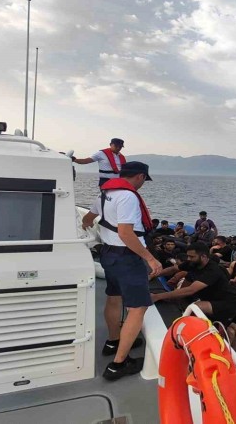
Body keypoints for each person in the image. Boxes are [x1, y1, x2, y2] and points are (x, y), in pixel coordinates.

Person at [81, 161, 162, 381]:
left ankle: (113, 341)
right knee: (138, 308)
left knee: (114, 297)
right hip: (127, 258)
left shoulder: (105, 193)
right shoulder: (128, 197)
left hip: (109, 254)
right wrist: (151, 258)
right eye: (144, 180)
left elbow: (87, 220)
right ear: (140, 177)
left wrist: (98, 236)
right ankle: (119, 364)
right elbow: (126, 233)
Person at [151, 242, 236, 326]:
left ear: (203, 256)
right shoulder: (193, 263)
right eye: (188, 256)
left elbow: (191, 290)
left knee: (196, 307)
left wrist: (158, 296)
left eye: (191, 256)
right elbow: (173, 269)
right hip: (209, 298)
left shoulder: (212, 271)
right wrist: (154, 275)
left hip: (226, 303)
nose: (188, 259)